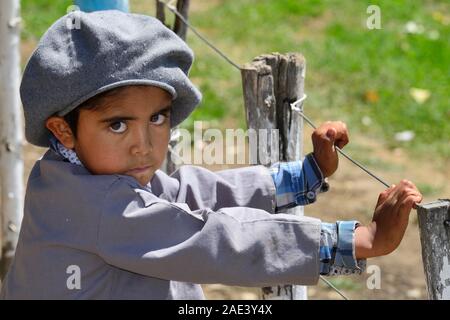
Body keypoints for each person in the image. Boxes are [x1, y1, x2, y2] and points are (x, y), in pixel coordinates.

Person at [0, 10, 422, 299]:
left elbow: (187, 193)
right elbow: (216, 242)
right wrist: (355, 241)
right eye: (118, 124)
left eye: (159, 118)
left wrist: (303, 176)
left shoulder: (70, 172)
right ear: (63, 129)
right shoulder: (101, 206)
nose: (144, 143)